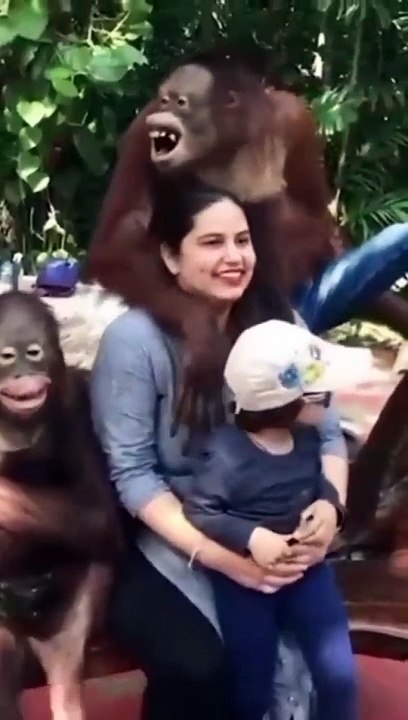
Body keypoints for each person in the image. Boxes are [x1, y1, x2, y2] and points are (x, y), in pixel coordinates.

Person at [90, 185, 349, 720]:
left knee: (323, 666)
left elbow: (327, 432)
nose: (234, 257)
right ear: (171, 256)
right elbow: (135, 476)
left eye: (242, 240)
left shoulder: (279, 323)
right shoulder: (136, 341)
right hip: (175, 532)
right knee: (205, 666)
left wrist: (331, 508)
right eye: (212, 243)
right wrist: (232, 562)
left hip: (280, 522)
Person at [184, 319, 369, 720]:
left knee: (339, 676)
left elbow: (319, 483)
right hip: (246, 583)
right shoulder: (226, 455)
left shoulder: (307, 439)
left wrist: (329, 505)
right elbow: (200, 510)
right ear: (287, 405)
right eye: (323, 393)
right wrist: (252, 537)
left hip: (308, 573)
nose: (331, 401)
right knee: (252, 684)